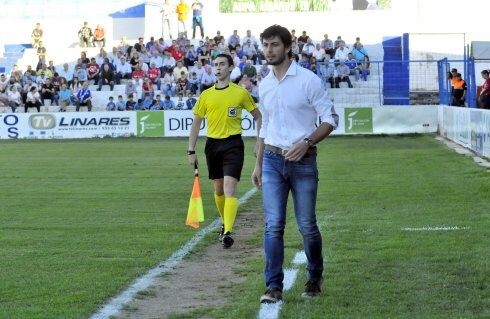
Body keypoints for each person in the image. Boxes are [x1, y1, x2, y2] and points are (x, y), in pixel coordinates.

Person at [252, 24, 338, 304]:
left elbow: (330, 119)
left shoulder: (308, 80)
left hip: (303, 162)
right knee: (273, 225)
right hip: (272, 161)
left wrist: (307, 143)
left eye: (274, 45)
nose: (269, 50)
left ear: (288, 47)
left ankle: (315, 278)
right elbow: (265, 125)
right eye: (265, 45)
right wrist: (258, 162)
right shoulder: (264, 84)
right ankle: (273, 286)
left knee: (307, 225)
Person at [188, 53, 262, 249]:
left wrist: (258, 142)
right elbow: (196, 124)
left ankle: (228, 231)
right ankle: (225, 224)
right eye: (215, 65)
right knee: (218, 189)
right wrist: (190, 150)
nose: (218, 68)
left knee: (230, 188)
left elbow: (258, 117)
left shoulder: (240, 93)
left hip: (233, 144)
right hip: (212, 145)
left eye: (222, 64)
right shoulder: (206, 95)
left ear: (230, 67)